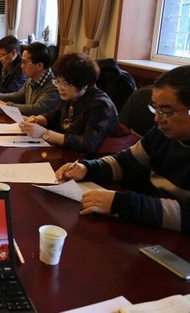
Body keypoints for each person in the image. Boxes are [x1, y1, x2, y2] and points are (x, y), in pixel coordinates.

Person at [55, 65, 190, 234]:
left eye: (166, 111)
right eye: (155, 108)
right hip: (152, 228)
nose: (157, 118)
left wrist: (122, 203)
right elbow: (126, 162)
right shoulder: (161, 134)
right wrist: (87, 168)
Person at [19, 52, 119, 154]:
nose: (60, 88)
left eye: (65, 83)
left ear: (85, 84)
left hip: (93, 158)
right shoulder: (72, 95)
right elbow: (53, 115)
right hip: (69, 153)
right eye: (58, 81)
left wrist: (45, 133)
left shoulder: (100, 105)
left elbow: (87, 144)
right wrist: (35, 120)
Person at [0, 42, 60, 116]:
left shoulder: (54, 85)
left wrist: (5, 106)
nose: (22, 66)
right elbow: (19, 96)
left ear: (39, 65)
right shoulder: (31, 78)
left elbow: (36, 109)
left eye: (25, 62)